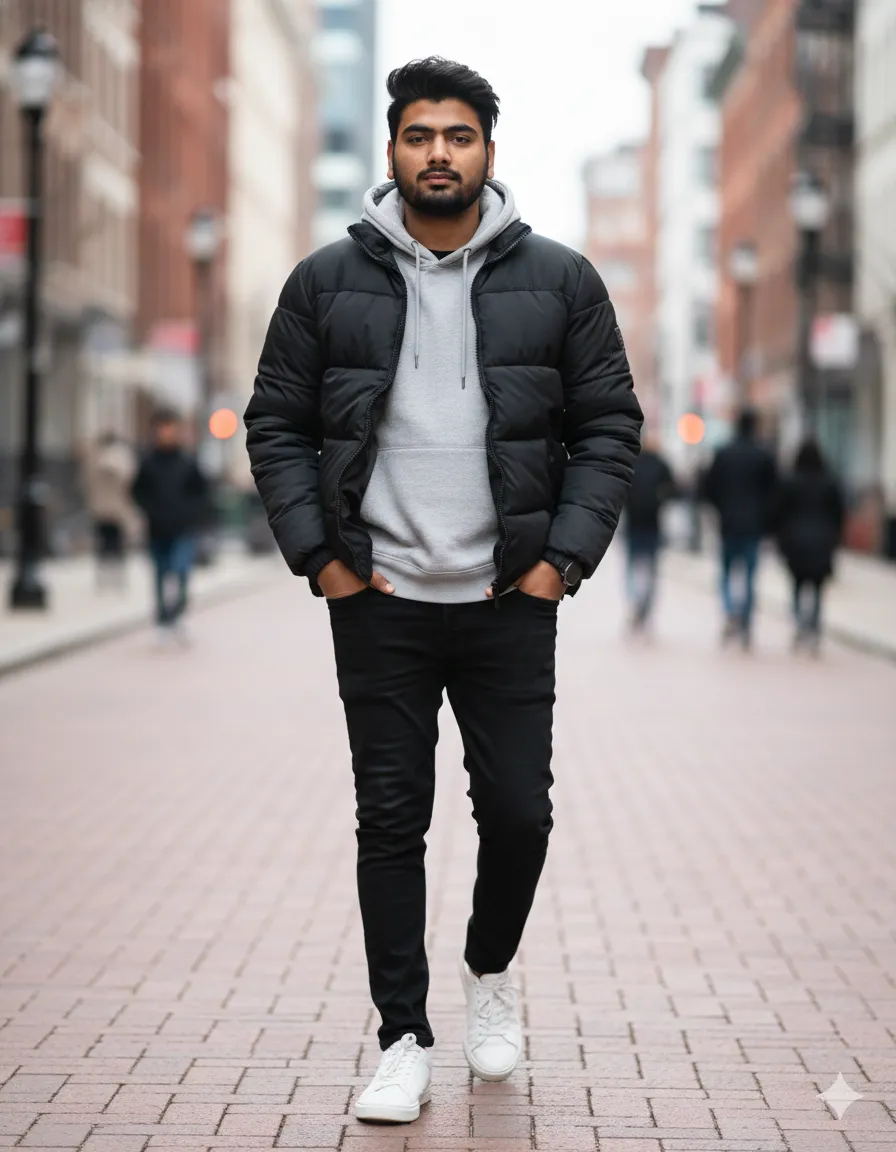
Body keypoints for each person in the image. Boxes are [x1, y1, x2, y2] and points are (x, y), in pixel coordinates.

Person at [245, 56, 642, 1124]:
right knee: (391, 817)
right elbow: (275, 423)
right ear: (391, 150)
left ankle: (489, 969)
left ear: (486, 155)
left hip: (509, 596)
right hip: (375, 594)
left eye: (456, 137)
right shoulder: (323, 283)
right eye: (418, 136)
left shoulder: (559, 281)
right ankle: (402, 1037)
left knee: (517, 812)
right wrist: (317, 556)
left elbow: (609, 426)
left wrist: (560, 559)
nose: (436, 154)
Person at [131, 409, 208, 644]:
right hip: (157, 529)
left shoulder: (187, 461)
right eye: (161, 427)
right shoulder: (148, 462)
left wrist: (190, 513)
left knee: (181, 570)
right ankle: (163, 621)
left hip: (182, 529)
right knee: (160, 574)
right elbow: (136, 491)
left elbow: (202, 492)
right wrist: (150, 511)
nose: (165, 432)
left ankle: (176, 615)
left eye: (170, 427)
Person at [702, 407, 777, 648]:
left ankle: (729, 611)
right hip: (753, 526)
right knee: (750, 575)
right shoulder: (764, 455)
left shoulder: (723, 453)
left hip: (728, 524)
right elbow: (774, 493)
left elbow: (709, 487)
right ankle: (745, 619)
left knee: (726, 573)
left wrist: (720, 509)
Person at [774, 439, 844, 653]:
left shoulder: (790, 481)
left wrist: (780, 538)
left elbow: (780, 512)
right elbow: (838, 513)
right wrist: (834, 538)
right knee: (817, 588)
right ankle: (813, 626)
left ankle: (800, 624)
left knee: (797, 586)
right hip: (821, 542)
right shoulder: (829, 482)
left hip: (795, 542)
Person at [623, 433, 677, 632]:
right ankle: (645, 605)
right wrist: (659, 500)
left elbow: (620, 490)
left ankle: (635, 601)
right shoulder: (661, 464)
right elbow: (674, 489)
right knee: (652, 569)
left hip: (634, 523)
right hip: (653, 523)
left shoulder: (632, 463)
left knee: (631, 567)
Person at [84, 431, 136, 588]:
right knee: (106, 544)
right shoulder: (101, 456)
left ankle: (114, 577)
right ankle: (107, 577)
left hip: (113, 509)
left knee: (113, 544)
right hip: (105, 509)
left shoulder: (113, 456)